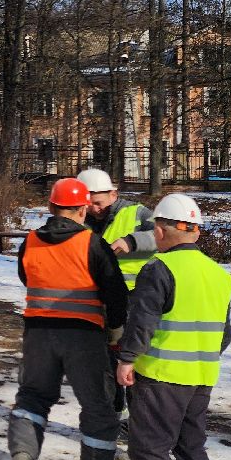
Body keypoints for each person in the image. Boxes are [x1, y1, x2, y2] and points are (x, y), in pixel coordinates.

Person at [105, 192, 231, 460]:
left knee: (150, 444)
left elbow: (141, 323)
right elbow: (224, 335)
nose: (155, 236)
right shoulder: (220, 275)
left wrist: (127, 359)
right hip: (202, 378)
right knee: (192, 443)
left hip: (161, 377)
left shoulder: (159, 269)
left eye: (157, 229)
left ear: (163, 231)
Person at [7, 177, 128, 460]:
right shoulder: (92, 244)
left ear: (50, 207)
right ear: (84, 208)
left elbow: (25, 277)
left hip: (38, 333)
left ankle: (21, 456)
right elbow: (116, 295)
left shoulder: (31, 241)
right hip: (84, 337)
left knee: (32, 396)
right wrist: (116, 334)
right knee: (99, 410)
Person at [77, 167, 157, 425]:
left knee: (131, 363)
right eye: (88, 205)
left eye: (98, 203)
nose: (94, 209)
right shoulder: (81, 220)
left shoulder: (137, 214)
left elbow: (164, 235)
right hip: (98, 305)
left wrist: (132, 242)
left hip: (135, 304)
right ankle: (114, 417)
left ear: (113, 194)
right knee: (106, 366)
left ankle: (137, 423)